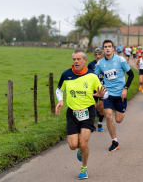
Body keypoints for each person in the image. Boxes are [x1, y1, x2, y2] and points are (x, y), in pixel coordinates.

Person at [55, 49, 106, 179]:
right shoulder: (66, 74)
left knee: (83, 143)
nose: (76, 61)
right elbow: (59, 89)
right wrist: (60, 101)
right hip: (72, 112)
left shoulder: (92, 76)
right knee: (73, 145)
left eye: (78, 59)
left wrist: (102, 95)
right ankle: (79, 150)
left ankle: (84, 168)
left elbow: (104, 93)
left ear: (84, 61)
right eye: (74, 59)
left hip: (88, 112)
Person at [95, 40, 134, 151]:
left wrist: (125, 89)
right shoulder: (100, 63)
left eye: (109, 46)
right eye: (105, 47)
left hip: (120, 94)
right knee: (108, 115)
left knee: (118, 120)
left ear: (113, 49)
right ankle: (115, 141)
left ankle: (121, 111)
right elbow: (94, 77)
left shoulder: (120, 60)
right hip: (108, 94)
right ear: (103, 49)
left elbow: (131, 75)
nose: (107, 48)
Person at [88, 48, 105, 132]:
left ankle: (100, 123)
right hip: (93, 89)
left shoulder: (106, 63)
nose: (97, 56)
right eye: (96, 54)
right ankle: (92, 123)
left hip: (102, 88)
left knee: (101, 107)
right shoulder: (91, 64)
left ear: (102, 55)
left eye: (99, 54)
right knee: (94, 107)